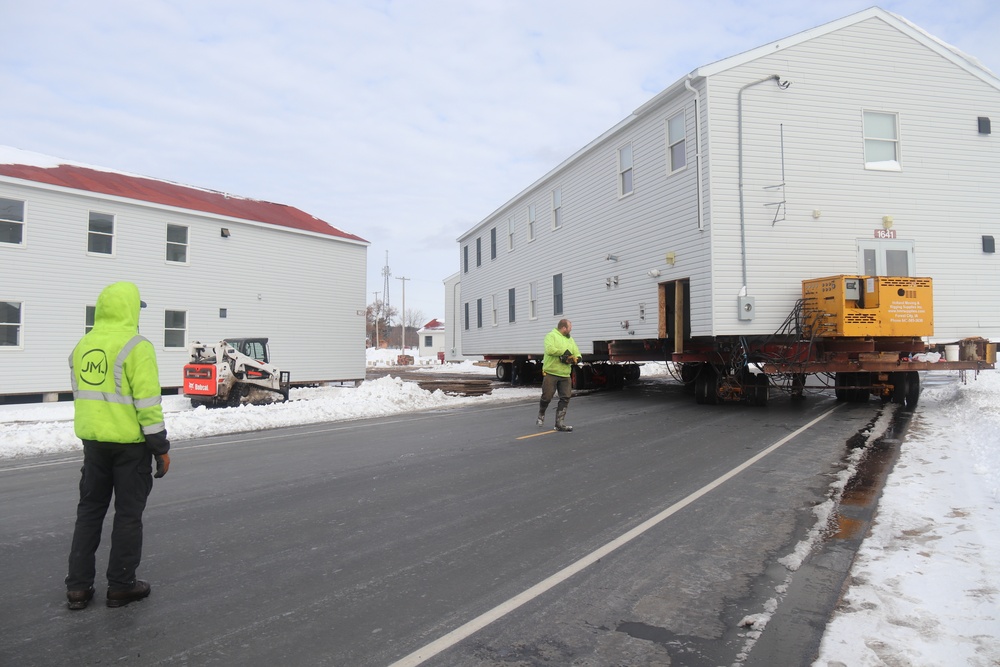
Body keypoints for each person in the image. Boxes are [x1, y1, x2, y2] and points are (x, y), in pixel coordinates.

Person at [65, 282, 171, 610]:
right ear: (129, 309)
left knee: (89, 511)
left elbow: (80, 392)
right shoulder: (137, 346)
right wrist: (160, 447)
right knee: (127, 515)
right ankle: (121, 585)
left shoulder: (83, 345)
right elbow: (148, 402)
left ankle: (79, 588)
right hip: (130, 446)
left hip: (93, 443)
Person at [536, 318, 582, 432]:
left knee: (566, 397)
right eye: (570, 327)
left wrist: (577, 358)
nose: (571, 329)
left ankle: (559, 423)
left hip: (565, 374)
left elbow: (576, 351)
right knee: (547, 396)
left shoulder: (570, 339)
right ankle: (541, 413)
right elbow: (549, 349)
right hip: (551, 372)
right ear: (564, 328)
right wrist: (564, 353)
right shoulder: (551, 336)